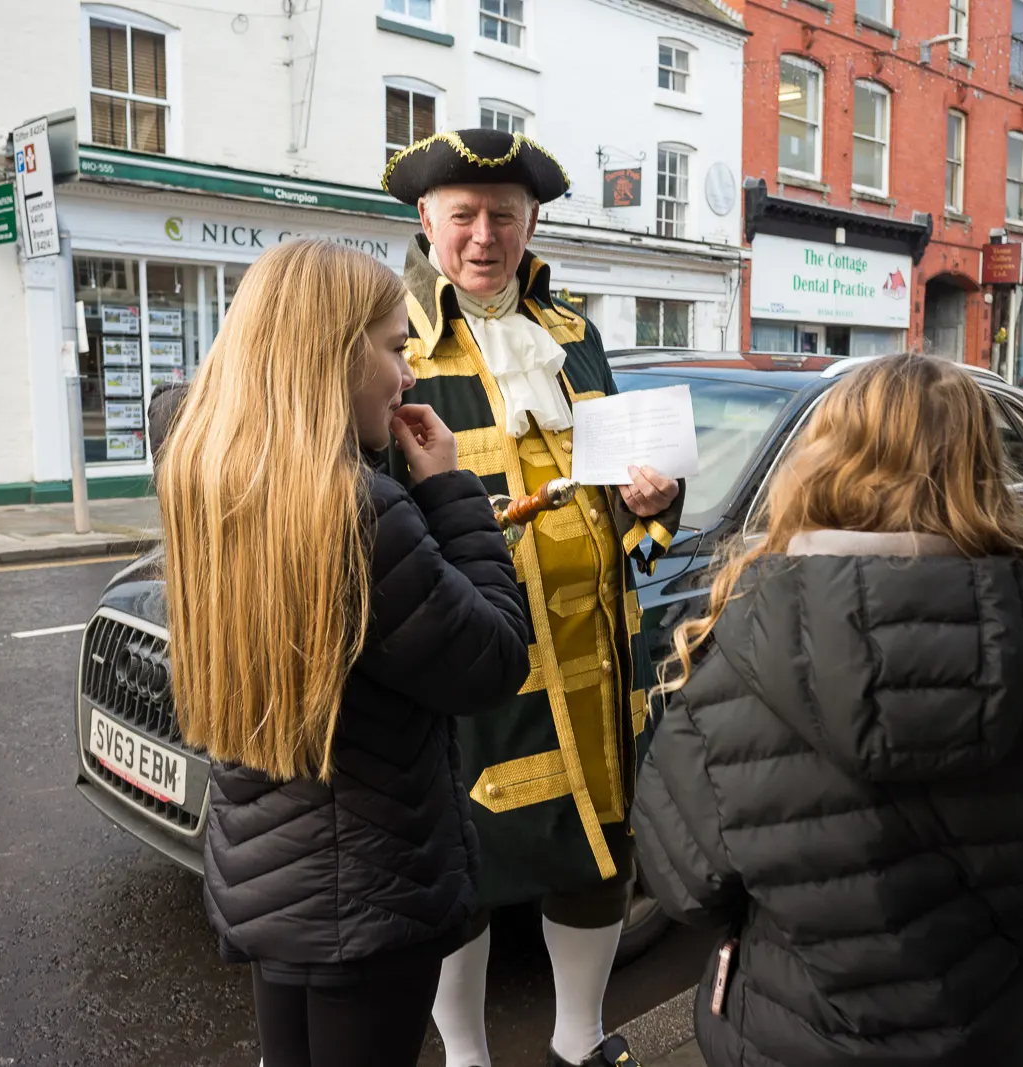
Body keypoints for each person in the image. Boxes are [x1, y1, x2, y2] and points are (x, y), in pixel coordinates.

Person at [630, 354, 1023, 1067]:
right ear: (983, 468)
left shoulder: (732, 670)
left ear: (822, 460)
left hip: (788, 1036)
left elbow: (683, 885)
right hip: (982, 1033)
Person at [155, 239, 531, 1067]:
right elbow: (494, 658)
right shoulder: (358, 514)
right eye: (395, 347)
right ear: (332, 352)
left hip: (270, 876)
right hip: (367, 890)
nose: (407, 376)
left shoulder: (213, 472)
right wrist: (449, 491)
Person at [380, 129, 685, 1067]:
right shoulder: (391, 346)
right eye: (464, 216)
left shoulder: (576, 338)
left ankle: (578, 1036)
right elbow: (369, 508)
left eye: (504, 216)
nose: (484, 236)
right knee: (462, 874)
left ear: (532, 221)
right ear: (427, 220)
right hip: (470, 658)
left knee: (596, 856)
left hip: (596, 658)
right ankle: (467, 1055)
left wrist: (653, 503)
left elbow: (626, 489)